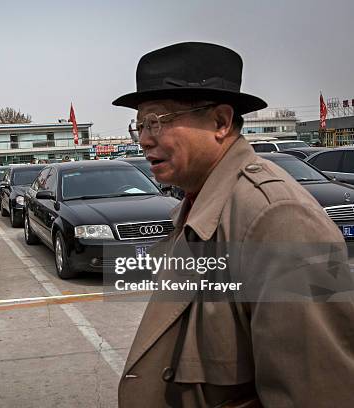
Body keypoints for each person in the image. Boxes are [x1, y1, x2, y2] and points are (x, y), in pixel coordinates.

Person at [112, 42, 353, 407]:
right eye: (140, 125)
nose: (144, 140)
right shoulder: (195, 207)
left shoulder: (279, 221)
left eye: (157, 121)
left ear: (221, 122)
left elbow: (321, 391)